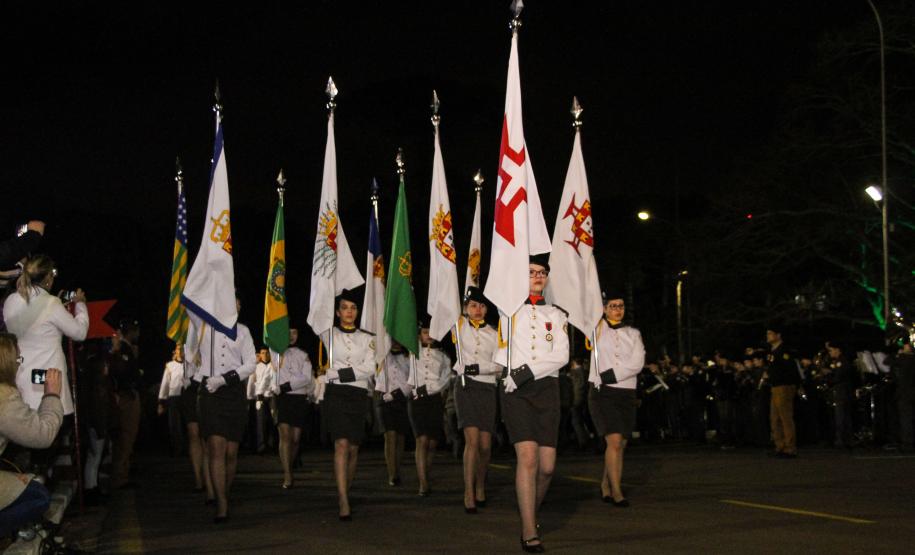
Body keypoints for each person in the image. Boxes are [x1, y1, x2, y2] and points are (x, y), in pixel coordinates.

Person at [495, 255, 569, 553]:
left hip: (546, 388)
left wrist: (526, 372)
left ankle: (530, 512)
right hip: (516, 391)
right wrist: (514, 374)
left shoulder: (557, 314)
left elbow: (561, 356)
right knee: (527, 458)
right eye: (531, 272)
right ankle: (528, 529)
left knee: (547, 467)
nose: (538, 276)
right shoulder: (508, 310)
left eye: (542, 272)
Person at [186, 296, 256, 523]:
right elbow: (189, 304)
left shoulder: (243, 331)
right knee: (216, 447)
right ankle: (222, 504)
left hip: (234, 393)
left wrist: (226, 379)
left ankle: (222, 491)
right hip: (210, 392)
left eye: (237, 302)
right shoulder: (204, 326)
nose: (233, 305)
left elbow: (251, 364)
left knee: (231, 453)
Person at [3, 255, 87, 416]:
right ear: (48, 278)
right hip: (46, 382)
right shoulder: (51, 303)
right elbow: (80, 333)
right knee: (48, 426)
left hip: (20, 380)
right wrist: (81, 305)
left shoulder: (10, 301)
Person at [0, 333, 63, 538]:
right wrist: (52, 394)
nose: (19, 365)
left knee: (24, 483)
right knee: (38, 496)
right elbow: (43, 435)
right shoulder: (4, 397)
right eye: (18, 359)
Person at [588, 291, 645, 508]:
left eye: (620, 305)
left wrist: (611, 374)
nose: (617, 309)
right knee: (613, 441)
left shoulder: (633, 333)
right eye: (613, 306)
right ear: (604, 309)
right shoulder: (597, 329)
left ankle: (606, 483)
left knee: (620, 444)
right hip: (604, 393)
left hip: (627, 392)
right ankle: (617, 491)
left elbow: (637, 363)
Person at [322, 290, 375, 521]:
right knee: (341, 444)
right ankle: (343, 498)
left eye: (353, 308)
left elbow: (370, 368)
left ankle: (346, 487)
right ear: (337, 312)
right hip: (336, 395)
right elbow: (316, 312)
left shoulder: (367, 338)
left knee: (353, 448)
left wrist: (338, 373)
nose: (349, 312)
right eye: (344, 308)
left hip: (358, 394)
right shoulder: (328, 334)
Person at [452, 286, 499, 513]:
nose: (477, 310)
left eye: (481, 306)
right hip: (466, 387)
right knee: (471, 441)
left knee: (485, 445)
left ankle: (481, 484)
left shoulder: (495, 333)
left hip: (487, 388)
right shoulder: (459, 326)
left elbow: (499, 366)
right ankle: (469, 492)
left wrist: (477, 368)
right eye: (473, 305)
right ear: (465, 308)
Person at [409, 316, 452, 497]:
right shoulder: (413, 351)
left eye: (432, 332)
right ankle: (423, 483)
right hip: (417, 400)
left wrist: (431, 389)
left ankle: (425, 473)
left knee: (433, 442)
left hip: (434, 400)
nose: (429, 335)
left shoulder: (443, 356)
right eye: (425, 332)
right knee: (422, 440)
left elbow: (446, 379)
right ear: (419, 335)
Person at [270, 328, 315, 489]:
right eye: (288, 331)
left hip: (298, 398)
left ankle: (290, 464)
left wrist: (286, 385)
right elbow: (270, 335)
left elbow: (306, 377)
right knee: (285, 436)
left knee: (295, 439)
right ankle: (287, 474)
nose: (291, 336)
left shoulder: (303, 355)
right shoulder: (276, 352)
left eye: (295, 332)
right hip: (283, 399)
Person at [108, 320, 142, 489]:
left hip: (128, 394)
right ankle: (119, 477)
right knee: (125, 436)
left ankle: (124, 473)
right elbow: (120, 372)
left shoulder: (128, 349)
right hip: (125, 396)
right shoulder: (121, 350)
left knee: (128, 436)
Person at [375, 342, 411, 486]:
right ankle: (392, 474)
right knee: (390, 436)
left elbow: (412, 379)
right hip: (384, 398)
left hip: (402, 399)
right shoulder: (382, 355)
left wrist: (398, 394)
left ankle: (397, 469)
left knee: (400, 437)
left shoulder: (409, 357)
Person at [765, 324, 799, 458]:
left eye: (770, 333)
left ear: (778, 335)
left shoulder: (784, 351)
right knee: (774, 418)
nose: (768, 336)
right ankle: (780, 446)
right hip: (775, 386)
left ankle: (790, 447)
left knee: (785, 417)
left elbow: (790, 369)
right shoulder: (772, 352)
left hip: (783, 386)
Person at [823, 341, 853, 449]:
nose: (830, 353)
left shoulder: (841, 362)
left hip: (842, 391)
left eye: (831, 350)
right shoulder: (837, 361)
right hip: (841, 391)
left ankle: (841, 440)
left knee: (840, 416)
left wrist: (828, 374)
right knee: (842, 416)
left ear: (837, 350)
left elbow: (838, 378)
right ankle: (844, 439)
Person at [158, 344, 187, 456]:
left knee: (186, 423)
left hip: (186, 397)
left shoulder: (191, 365)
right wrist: (161, 401)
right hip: (174, 397)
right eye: (179, 349)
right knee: (174, 424)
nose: (181, 351)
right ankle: (177, 448)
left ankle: (187, 448)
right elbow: (165, 383)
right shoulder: (170, 365)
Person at [890, 338, 914, 453]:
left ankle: (907, 443)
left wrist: (899, 354)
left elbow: (887, 361)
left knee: (906, 419)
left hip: (905, 393)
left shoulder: (903, 358)